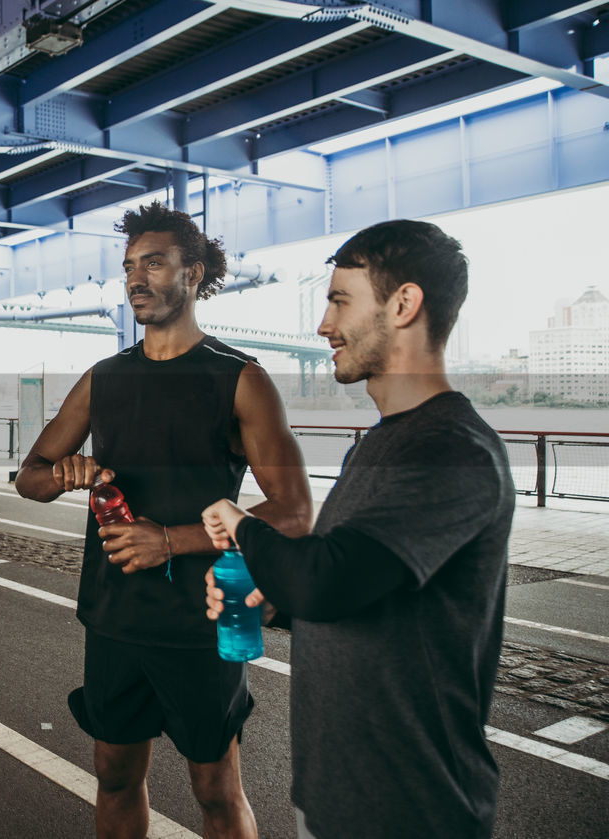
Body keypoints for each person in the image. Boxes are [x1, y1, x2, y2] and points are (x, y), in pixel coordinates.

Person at [202, 220, 514, 839]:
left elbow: (329, 581)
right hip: (340, 796)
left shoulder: (451, 447)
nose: (323, 325)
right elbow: (361, 584)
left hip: (410, 807)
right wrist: (276, 601)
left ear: (404, 305)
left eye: (341, 300)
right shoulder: (382, 444)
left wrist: (243, 528)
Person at [15, 201, 312, 839]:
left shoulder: (240, 379)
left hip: (207, 619)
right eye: (128, 267)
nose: (135, 279)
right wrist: (67, 472)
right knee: (115, 775)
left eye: (154, 263)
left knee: (214, 788)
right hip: (114, 616)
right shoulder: (103, 379)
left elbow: (292, 510)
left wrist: (170, 542)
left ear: (194, 273)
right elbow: (30, 476)